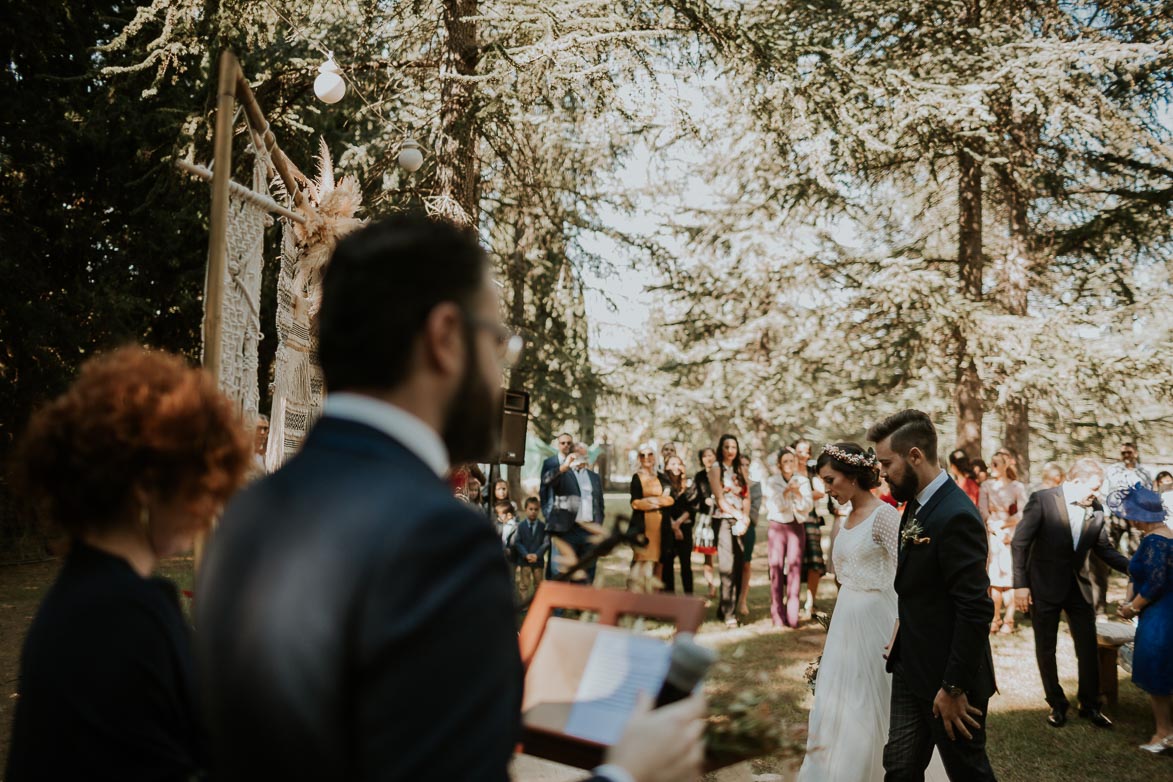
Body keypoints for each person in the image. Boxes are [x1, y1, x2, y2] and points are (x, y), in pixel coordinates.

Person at [194, 214, 706, 782]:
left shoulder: (248, 513)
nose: (499, 377)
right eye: (497, 343)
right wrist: (630, 773)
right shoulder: (440, 540)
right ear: (444, 338)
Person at [5, 347, 251, 782]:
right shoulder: (121, 615)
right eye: (199, 479)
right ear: (147, 485)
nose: (209, 503)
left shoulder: (87, 596)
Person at [798, 442, 947, 782]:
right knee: (839, 702)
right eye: (823, 482)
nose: (827, 488)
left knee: (869, 702)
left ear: (852, 476)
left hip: (877, 622)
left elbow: (907, 577)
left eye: (830, 480)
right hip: (846, 621)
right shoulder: (847, 516)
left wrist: (900, 626)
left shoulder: (883, 516)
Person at [868, 409, 997, 782]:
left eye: (886, 463)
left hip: (948, 679)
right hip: (910, 667)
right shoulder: (917, 504)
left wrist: (953, 686)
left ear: (914, 457)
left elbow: (975, 608)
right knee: (900, 767)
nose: (882, 473)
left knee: (967, 771)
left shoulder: (956, 514)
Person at [1011, 458, 1128, 729]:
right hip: (1044, 585)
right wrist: (1021, 585)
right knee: (1046, 647)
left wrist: (1135, 568)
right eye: (1094, 488)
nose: (1096, 494)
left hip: (1078, 588)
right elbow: (1020, 543)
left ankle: (1090, 704)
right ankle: (1056, 703)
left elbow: (1104, 549)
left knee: (1087, 647)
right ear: (1075, 482)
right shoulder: (1042, 500)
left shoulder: (1096, 510)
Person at [1112, 484, 1173, 754]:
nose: (1128, 518)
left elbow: (1156, 582)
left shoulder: (1155, 541)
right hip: (1163, 610)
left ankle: (1164, 733)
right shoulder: (1167, 537)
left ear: (1140, 516)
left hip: (1160, 615)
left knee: (1157, 671)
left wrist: (1131, 609)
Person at [541, 436, 602, 583]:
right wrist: (563, 467)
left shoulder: (594, 477)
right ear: (572, 454)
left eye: (584, 452)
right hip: (569, 529)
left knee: (587, 572)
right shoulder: (564, 473)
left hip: (589, 530)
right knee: (561, 572)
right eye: (578, 451)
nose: (582, 454)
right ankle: (558, 606)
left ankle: (580, 605)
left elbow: (599, 503)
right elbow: (546, 480)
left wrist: (598, 525)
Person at [978, 452, 1027, 634]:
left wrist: (1006, 528)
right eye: (992, 463)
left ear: (1006, 464)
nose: (993, 468)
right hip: (994, 533)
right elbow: (983, 510)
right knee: (995, 578)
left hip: (1011, 532)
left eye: (997, 464)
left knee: (1010, 579)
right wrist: (996, 529)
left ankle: (1009, 619)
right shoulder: (986, 485)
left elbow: (1022, 511)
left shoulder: (1017, 486)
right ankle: (995, 617)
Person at [766, 447, 811, 629]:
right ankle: (777, 614)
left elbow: (807, 506)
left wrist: (798, 493)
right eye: (785, 461)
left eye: (792, 461)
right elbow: (774, 506)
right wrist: (786, 491)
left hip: (796, 527)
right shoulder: (772, 482)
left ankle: (792, 615)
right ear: (779, 464)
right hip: (777, 526)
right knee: (775, 569)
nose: (789, 465)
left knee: (794, 569)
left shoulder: (803, 481)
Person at [710, 434, 751, 626]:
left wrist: (746, 517)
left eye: (733, 446)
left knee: (738, 564)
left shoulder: (741, 468)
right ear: (721, 448)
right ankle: (728, 614)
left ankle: (725, 607)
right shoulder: (716, 468)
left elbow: (746, 495)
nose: (730, 450)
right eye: (726, 446)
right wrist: (739, 515)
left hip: (740, 521)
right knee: (727, 564)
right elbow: (720, 499)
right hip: (724, 519)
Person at [630, 444, 674, 589]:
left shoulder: (662, 477)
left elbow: (670, 499)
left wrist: (650, 501)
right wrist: (657, 502)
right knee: (641, 562)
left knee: (658, 562)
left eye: (650, 454)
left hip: (662, 527)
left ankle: (655, 601)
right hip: (644, 526)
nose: (647, 458)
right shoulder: (636, 477)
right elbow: (635, 503)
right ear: (639, 458)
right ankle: (636, 598)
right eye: (643, 455)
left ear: (655, 457)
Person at [794, 438, 829, 618]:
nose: (803, 455)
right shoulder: (788, 471)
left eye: (806, 451)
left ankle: (810, 602)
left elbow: (821, 492)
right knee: (793, 562)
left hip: (810, 520)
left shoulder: (811, 472)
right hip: (792, 521)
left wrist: (799, 494)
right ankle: (792, 600)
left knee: (814, 562)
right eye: (799, 451)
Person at [660, 454, 696, 594]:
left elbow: (692, 508)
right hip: (668, 527)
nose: (676, 467)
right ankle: (669, 600)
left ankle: (689, 598)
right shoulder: (662, 483)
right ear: (667, 466)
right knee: (667, 565)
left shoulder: (689, 484)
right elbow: (662, 507)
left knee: (686, 565)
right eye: (672, 464)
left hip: (685, 527)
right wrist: (673, 526)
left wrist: (679, 523)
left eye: (678, 463)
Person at [737, 452, 762, 616]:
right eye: (741, 464)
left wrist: (743, 519)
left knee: (746, 564)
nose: (744, 467)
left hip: (748, 527)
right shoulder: (730, 484)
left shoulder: (755, 485)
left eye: (747, 464)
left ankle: (742, 600)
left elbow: (754, 510)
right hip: (731, 526)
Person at [693, 448, 719, 598]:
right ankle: (711, 585)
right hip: (706, 517)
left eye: (711, 455)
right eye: (705, 456)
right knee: (707, 555)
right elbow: (697, 497)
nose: (708, 458)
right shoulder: (700, 476)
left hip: (720, 516)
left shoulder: (720, 473)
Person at [514, 497, 549, 602]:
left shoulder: (543, 527)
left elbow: (546, 542)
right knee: (524, 584)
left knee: (538, 584)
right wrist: (526, 555)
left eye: (536, 509)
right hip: (525, 561)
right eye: (531, 509)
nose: (533, 512)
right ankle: (524, 604)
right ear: (526, 509)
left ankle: (537, 603)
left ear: (539, 510)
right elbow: (517, 542)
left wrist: (537, 555)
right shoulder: (520, 526)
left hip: (538, 561)